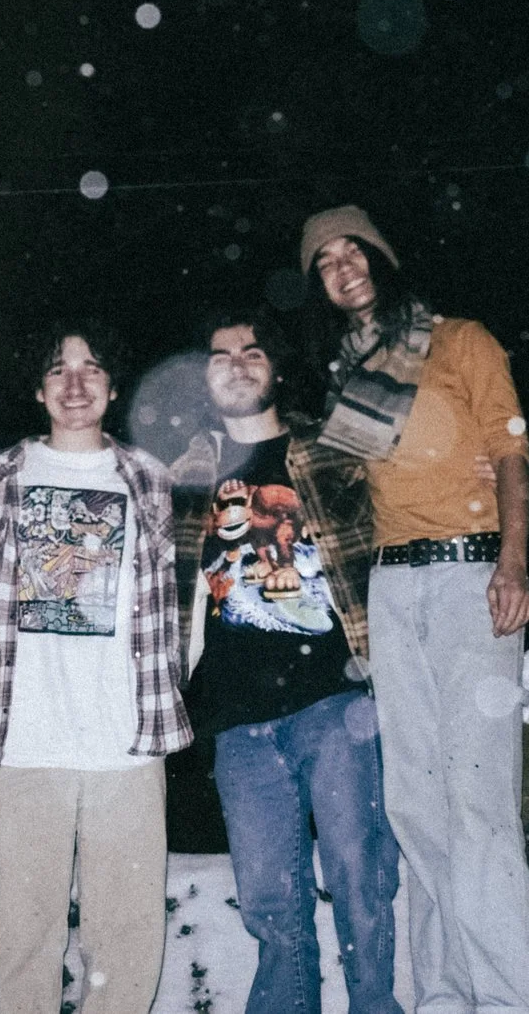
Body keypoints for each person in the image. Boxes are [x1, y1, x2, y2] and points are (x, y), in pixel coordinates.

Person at [297, 206, 529, 1014]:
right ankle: (443, 993)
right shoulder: (346, 379)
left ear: (382, 255)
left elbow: (511, 451)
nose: (342, 268)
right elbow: (325, 484)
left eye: (352, 250)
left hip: (471, 575)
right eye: (324, 261)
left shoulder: (461, 339)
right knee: (415, 802)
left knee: (478, 797)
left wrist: (512, 561)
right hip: (392, 592)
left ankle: (505, 999)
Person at [0, 323, 190, 1014]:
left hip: (128, 748)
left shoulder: (150, 479)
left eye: (91, 368)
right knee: (23, 947)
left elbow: (185, 595)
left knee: (126, 951)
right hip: (22, 748)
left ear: (113, 386)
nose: (75, 384)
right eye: (58, 369)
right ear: (38, 388)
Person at [170, 308, 400, 1014]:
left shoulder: (328, 449)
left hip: (336, 702)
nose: (237, 364)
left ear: (274, 367)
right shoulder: (184, 476)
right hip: (236, 721)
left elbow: (408, 471)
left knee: (360, 878)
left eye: (252, 351)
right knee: (271, 904)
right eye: (220, 355)